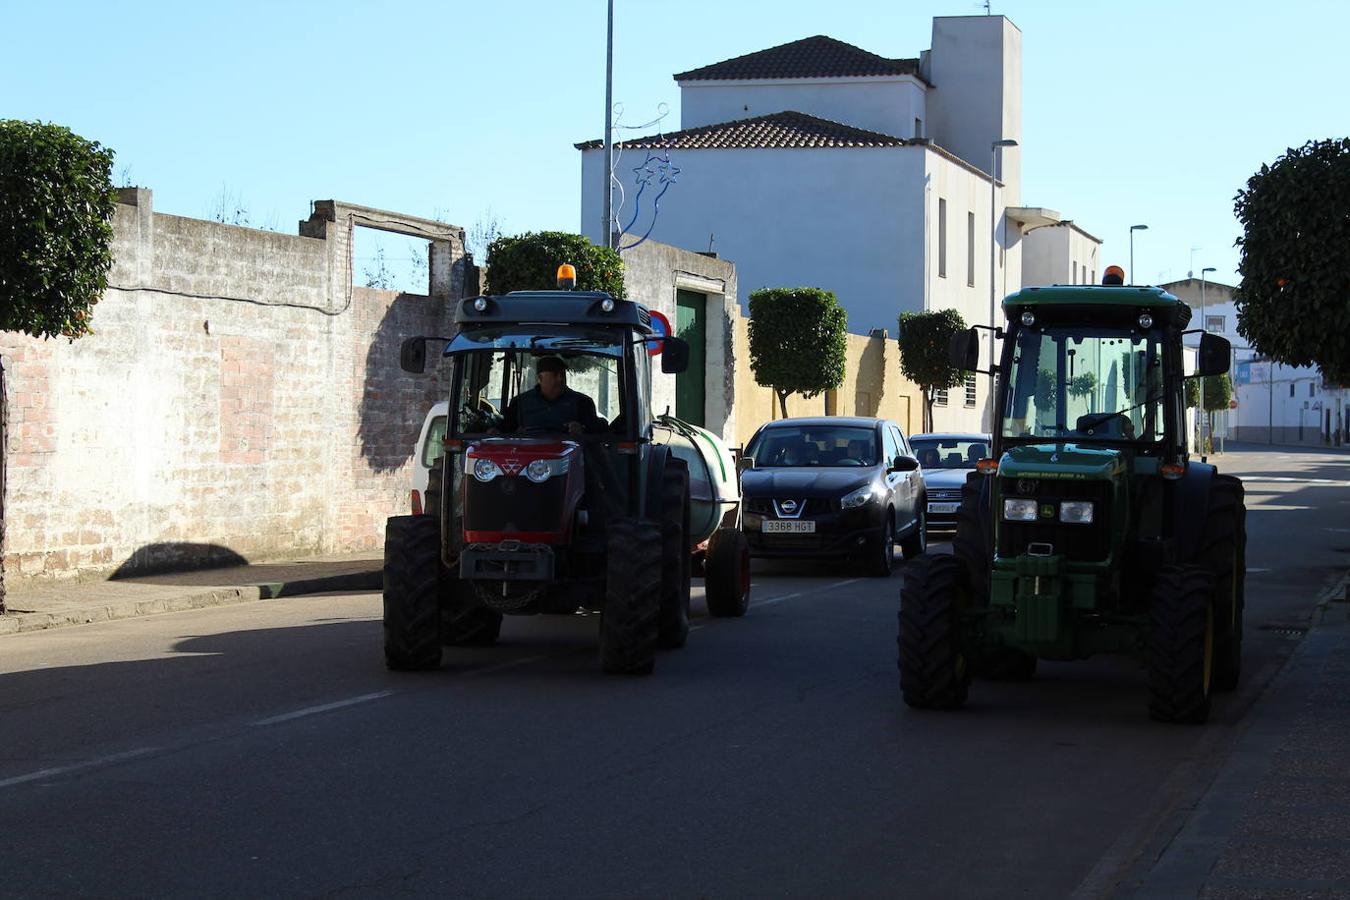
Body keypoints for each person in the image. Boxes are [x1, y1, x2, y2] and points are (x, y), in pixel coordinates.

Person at [498, 356, 602, 436]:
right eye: (555, 375)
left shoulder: (582, 402)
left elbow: (600, 430)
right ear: (540, 378)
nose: (560, 379)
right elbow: (504, 431)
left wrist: (582, 429)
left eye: (562, 374)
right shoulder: (520, 402)